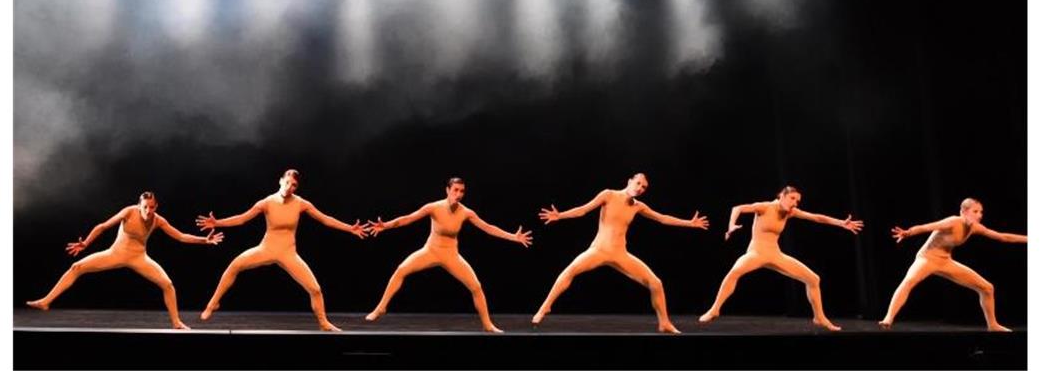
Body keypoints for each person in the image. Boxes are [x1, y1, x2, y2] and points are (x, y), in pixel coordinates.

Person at [531, 172, 708, 334]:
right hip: (598, 250)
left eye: (644, 187)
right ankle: (545, 307)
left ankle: (664, 323)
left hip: (620, 254)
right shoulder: (609, 195)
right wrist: (560, 215)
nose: (640, 188)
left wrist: (689, 223)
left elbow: (662, 218)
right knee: (570, 271)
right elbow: (583, 210)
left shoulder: (638, 206)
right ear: (629, 181)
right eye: (638, 183)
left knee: (656, 283)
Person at [196, 169, 367, 331]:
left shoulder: (301, 204)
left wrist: (350, 228)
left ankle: (323, 323)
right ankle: (213, 304)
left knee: (315, 289)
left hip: (288, 253)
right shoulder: (267, 202)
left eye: (293, 185)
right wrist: (217, 223)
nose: (289, 187)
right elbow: (241, 219)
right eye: (287, 182)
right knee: (235, 265)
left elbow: (325, 219)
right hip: (266, 249)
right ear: (280, 181)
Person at [26, 191, 223, 329]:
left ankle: (176, 323)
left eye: (152, 207)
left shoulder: (158, 220)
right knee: (77, 267)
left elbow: (180, 236)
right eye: (145, 207)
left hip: (139, 258)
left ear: (156, 206)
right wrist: (85, 243)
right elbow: (103, 226)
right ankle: (46, 301)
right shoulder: (129, 212)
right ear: (139, 205)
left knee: (168, 285)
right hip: (115, 253)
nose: (148, 211)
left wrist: (204, 240)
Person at [364, 177, 532, 333]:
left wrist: (513, 237)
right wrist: (385, 225)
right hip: (430, 251)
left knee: (476, 286)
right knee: (401, 269)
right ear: (447, 190)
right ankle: (381, 308)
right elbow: (408, 218)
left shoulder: (466, 212)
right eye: (455, 190)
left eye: (462, 191)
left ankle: (487, 324)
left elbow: (488, 227)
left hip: (451, 255)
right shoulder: (434, 207)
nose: (458, 194)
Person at [699, 186, 862, 331]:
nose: (795, 204)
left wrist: (841, 223)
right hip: (757, 252)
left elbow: (817, 217)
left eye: (797, 201)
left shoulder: (790, 213)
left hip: (775, 254)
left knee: (813, 279)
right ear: (781, 196)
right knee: (735, 272)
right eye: (792, 199)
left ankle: (819, 317)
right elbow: (738, 208)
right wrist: (731, 225)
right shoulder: (765, 207)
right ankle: (714, 309)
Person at [879, 197, 1026, 332]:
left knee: (987, 288)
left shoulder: (976, 228)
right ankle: (888, 318)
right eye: (975, 211)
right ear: (963, 212)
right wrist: (908, 232)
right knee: (909, 281)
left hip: (945, 261)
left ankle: (992, 325)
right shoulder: (953, 221)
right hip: (927, 258)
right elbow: (926, 227)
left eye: (981, 212)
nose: (979, 215)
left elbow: (1003, 237)